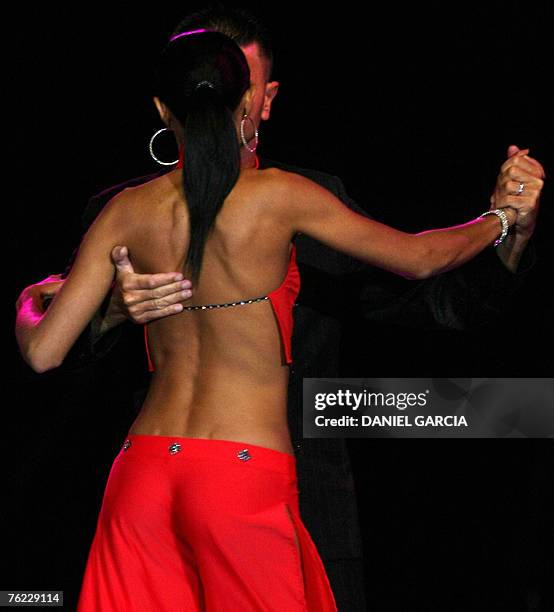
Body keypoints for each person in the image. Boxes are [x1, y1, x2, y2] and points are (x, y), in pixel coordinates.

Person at [15, 7, 545, 611]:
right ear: (248, 102)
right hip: (240, 475)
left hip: (142, 473)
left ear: (164, 109)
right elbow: (423, 258)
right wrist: (503, 218)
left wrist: (27, 301)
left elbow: (41, 351)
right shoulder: (284, 199)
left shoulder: (126, 212)